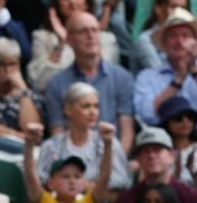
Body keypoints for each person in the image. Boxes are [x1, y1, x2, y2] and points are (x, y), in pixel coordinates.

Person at [135, 8, 197, 147]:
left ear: (196, 42)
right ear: (164, 43)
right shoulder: (147, 77)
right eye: (173, 36)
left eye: (185, 35)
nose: (179, 41)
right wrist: (177, 82)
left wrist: (195, 73)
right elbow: (147, 114)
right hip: (163, 152)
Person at [43, 11, 135, 153]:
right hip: (73, 163)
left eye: (94, 30)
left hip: (113, 159)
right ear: (69, 40)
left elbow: (126, 133)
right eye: (83, 31)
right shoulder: (57, 84)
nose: (91, 36)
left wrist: (113, 164)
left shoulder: (123, 78)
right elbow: (57, 133)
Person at [35, 82, 132, 197]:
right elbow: (39, 181)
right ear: (68, 109)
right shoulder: (51, 145)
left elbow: (123, 180)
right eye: (86, 106)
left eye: (96, 106)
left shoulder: (108, 142)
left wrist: (89, 185)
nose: (93, 112)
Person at [28, 0, 120, 94]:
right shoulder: (42, 37)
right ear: (57, 4)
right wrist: (61, 43)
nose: (72, 1)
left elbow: (108, 78)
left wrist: (95, 35)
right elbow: (39, 83)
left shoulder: (106, 38)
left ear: (86, 3)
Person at [131, 0, 191, 72]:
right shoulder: (145, 41)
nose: (179, 13)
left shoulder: (191, 38)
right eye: (174, 7)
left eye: (183, 8)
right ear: (158, 9)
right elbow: (161, 75)